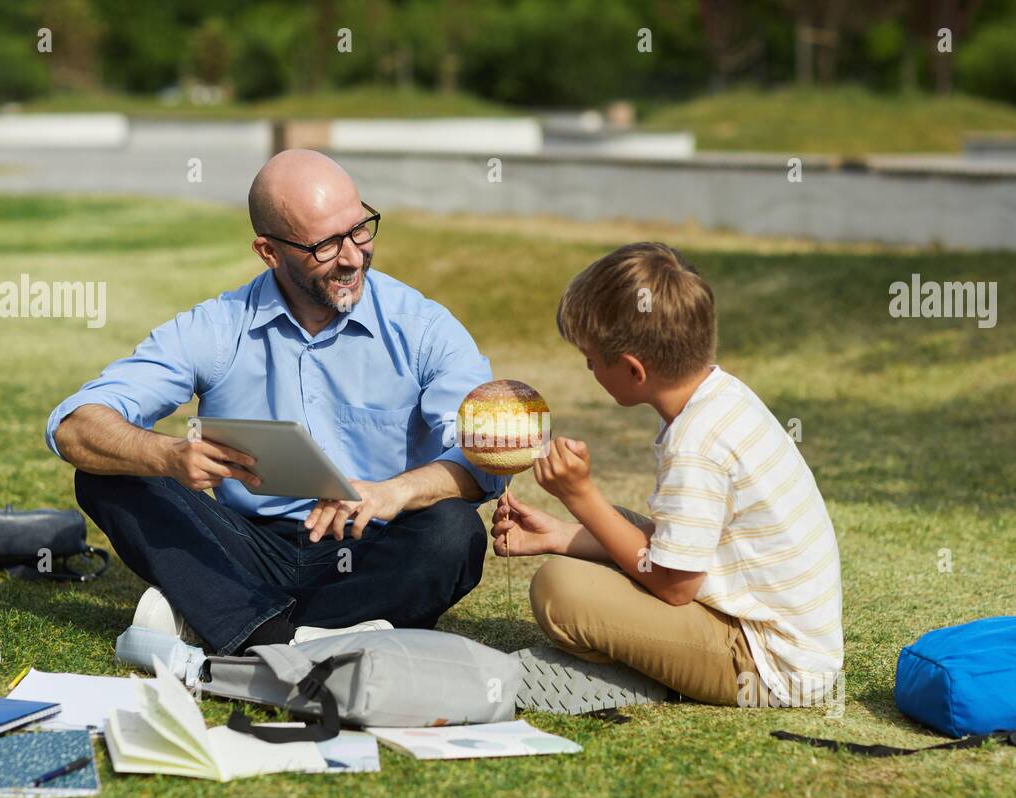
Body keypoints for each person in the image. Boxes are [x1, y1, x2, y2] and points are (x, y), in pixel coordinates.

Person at [46, 150, 502, 655]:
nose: (352, 256)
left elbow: (483, 458)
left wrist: (393, 492)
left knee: (453, 532)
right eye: (326, 245)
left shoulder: (423, 328)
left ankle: (245, 627)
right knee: (108, 472)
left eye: (360, 229)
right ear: (269, 252)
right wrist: (168, 456)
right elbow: (74, 425)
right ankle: (308, 637)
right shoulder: (219, 325)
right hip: (246, 548)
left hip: (375, 549)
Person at [491, 242, 843, 707]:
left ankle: (637, 676)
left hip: (764, 666)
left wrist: (579, 496)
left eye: (591, 357)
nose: (588, 366)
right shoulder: (717, 397)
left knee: (559, 589)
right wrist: (558, 534)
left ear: (635, 369)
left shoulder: (697, 441)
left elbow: (675, 587)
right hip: (772, 638)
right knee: (618, 525)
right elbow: (673, 542)